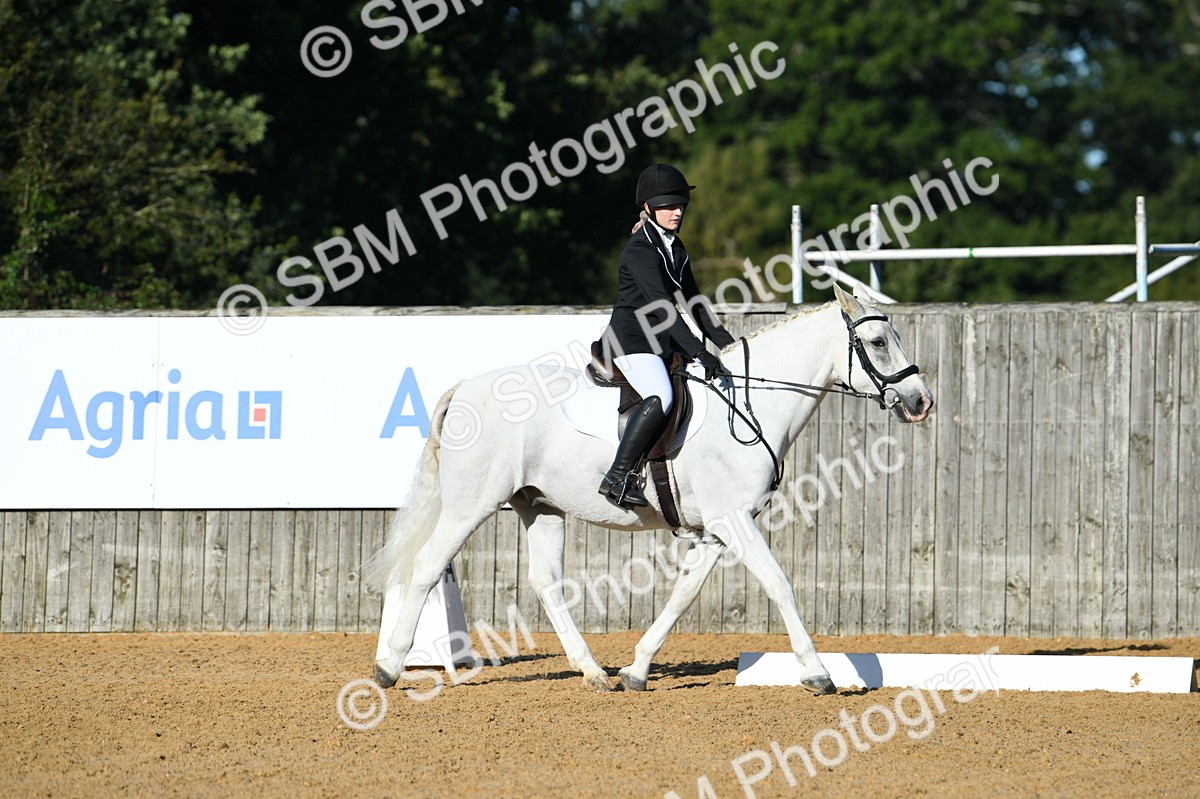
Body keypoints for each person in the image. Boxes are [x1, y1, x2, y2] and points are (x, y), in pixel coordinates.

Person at [597, 163, 736, 509]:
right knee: (661, 394)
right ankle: (617, 476)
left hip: (660, 341)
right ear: (647, 208)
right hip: (631, 341)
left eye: (680, 206)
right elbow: (663, 308)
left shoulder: (675, 246)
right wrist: (700, 354)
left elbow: (695, 302)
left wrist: (728, 344)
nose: (677, 212)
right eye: (668, 206)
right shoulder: (640, 250)